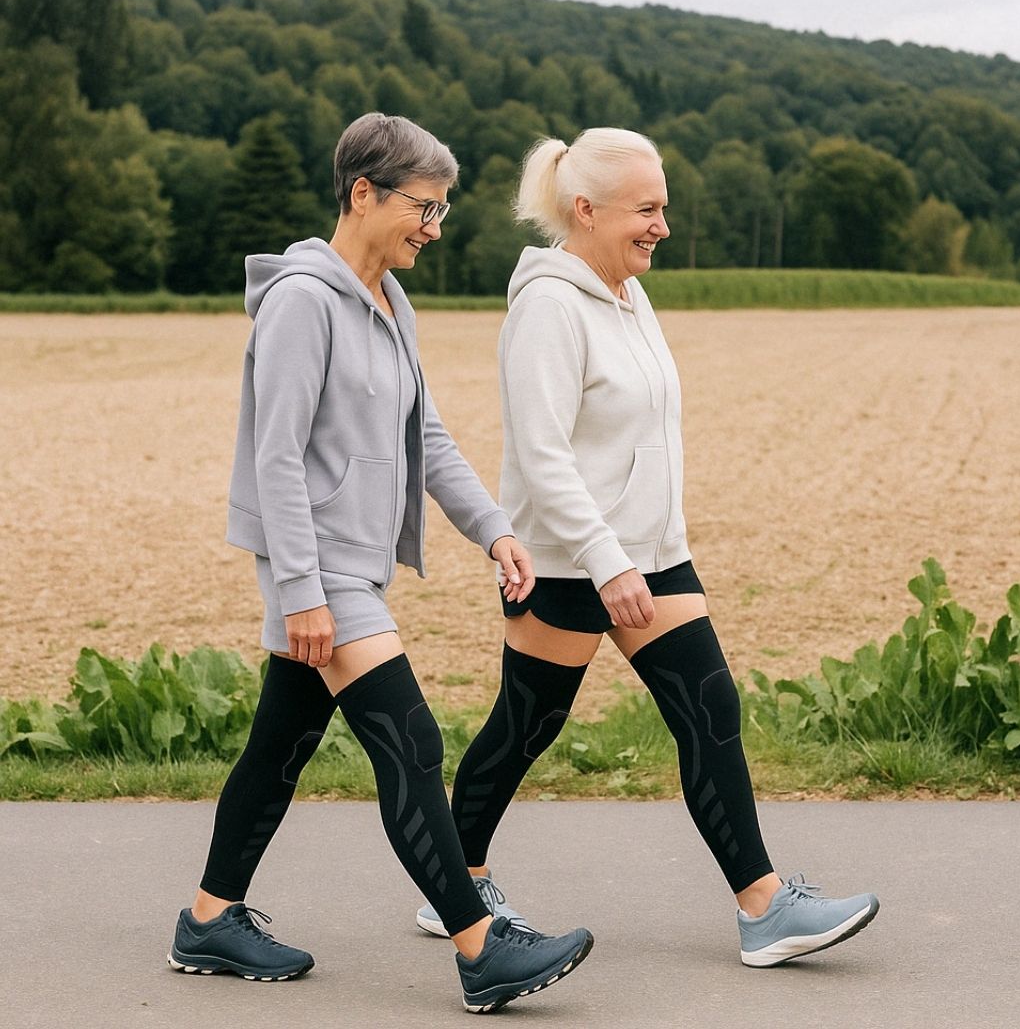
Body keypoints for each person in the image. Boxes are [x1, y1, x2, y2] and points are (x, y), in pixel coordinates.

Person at [416, 128, 879, 969]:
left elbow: (647, 436)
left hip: (649, 552)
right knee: (529, 724)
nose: (662, 225)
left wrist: (655, 546)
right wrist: (608, 560)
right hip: (566, 560)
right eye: (647, 209)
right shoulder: (548, 308)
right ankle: (457, 876)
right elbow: (543, 454)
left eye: (663, 207)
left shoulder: (630, 295)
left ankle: (764, 907)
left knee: (709, 707)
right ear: (585, 210)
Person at [167, 113, 593, 1014]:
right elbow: (274, 456)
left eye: (442, 210)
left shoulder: (391, 302)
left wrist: (495, 529)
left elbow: (425, 437)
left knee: (280, 743)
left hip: (353, 563)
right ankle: (480, 947)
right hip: (315, 565)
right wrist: (299, 593)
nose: (433, 228)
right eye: (423, 207)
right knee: (411, 739)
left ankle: (209, 919)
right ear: (363, 193)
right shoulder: (300, 301)